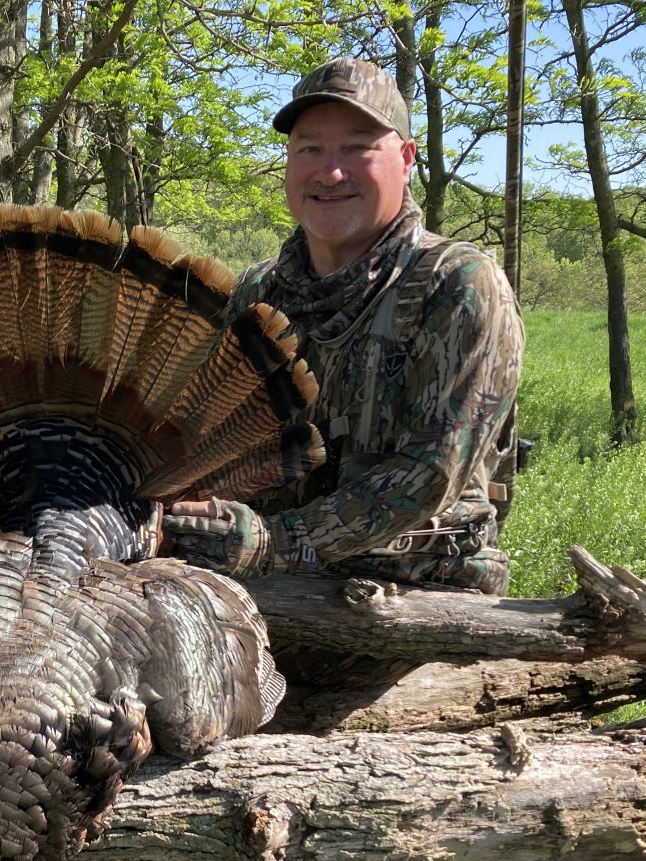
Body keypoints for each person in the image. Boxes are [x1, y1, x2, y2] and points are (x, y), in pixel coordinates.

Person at [165, 57, 524, 686]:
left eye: (358, 149)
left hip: (412, 597)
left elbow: (428, 476)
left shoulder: (459, 285)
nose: (330, 172)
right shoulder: (257, 290)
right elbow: (209, 441)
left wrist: (274, 544)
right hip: (269, 585)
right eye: (310, 149)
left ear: (407, 158)